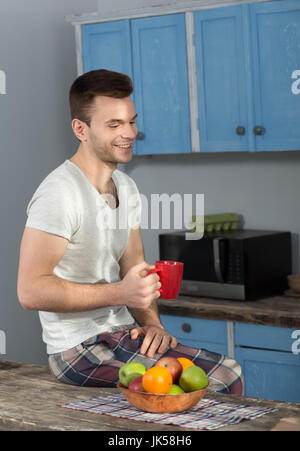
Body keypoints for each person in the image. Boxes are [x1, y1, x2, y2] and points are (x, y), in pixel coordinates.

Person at [17, 69, 244, 394]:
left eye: (131, 121)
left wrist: (152, 325)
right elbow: (30, 291)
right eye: (114, 125)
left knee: (228, 372)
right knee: (205, 384)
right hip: (77, 349)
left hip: (122, 333)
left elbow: (134, 271)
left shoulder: (127, 187)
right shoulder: (59, 193)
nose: (129, 133)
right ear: (81, 129)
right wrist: (121, 293)